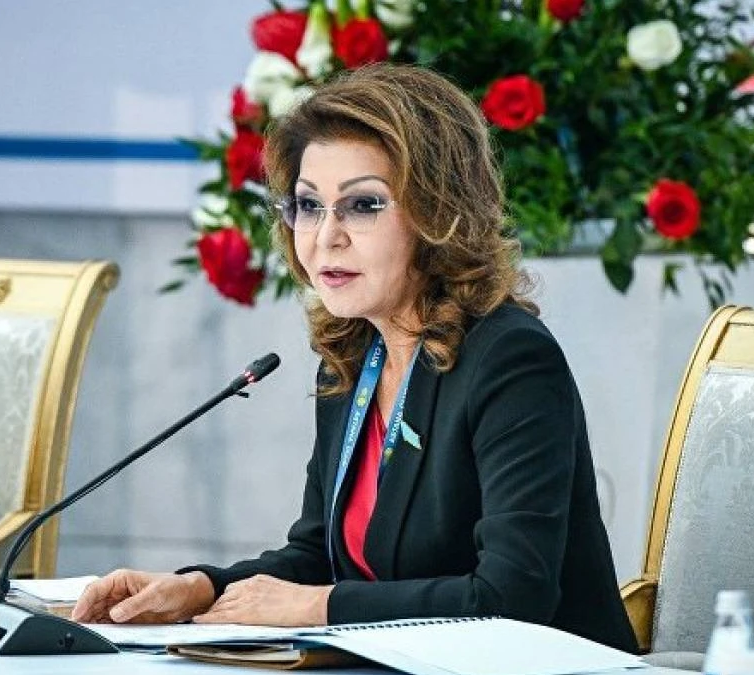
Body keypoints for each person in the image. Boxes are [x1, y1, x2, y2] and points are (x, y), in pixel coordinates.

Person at [73, 63, 637, 652]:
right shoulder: (352, 357)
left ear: (438, 212)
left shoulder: (510, 359)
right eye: (309, 205)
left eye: (363, 205)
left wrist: (319, 607)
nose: (325, 237)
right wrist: (202, 588)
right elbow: (316, 555)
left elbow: (512, 596)